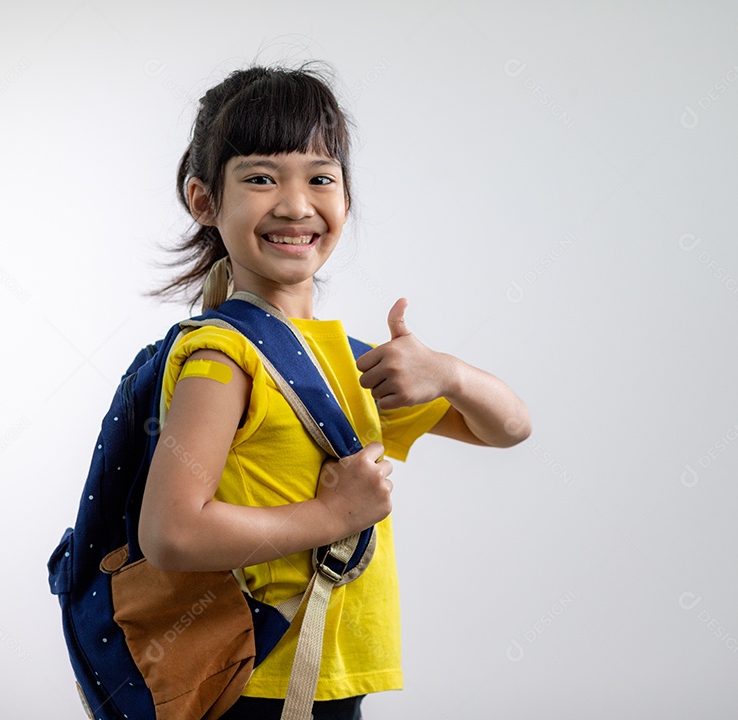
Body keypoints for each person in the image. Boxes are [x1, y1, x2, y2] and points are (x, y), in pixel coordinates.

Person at [139, 62, 531, 720]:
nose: (296, 204)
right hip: (254, 680)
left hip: (327, 668)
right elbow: (172, 533)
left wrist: (447, 372)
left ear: (346, 199)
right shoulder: (223, 358)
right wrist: (333, 519)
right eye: (261, 178)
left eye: (320, 177)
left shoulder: (341, 362)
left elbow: (510, 427)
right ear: (205, 201)